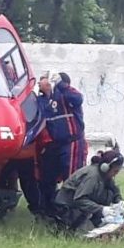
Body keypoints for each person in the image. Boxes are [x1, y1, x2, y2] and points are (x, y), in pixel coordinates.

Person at [36, 72, 87, 212]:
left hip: (72, 143)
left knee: (71, 179)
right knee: (46, 179)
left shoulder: (65, 95)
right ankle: (50, 211)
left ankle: (73, 213)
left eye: (43, 79)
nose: (39, 83)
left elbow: (78, 98)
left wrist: (60, 84)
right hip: (53, 145)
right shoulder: (41, 101)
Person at [51, 150, 124, 230]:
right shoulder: (92, 176)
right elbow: (79, 199)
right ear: (105, 167)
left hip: (82, 209)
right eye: (115, 171)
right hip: (68, 209)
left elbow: (114, 190)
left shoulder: (105, 176)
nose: (116, 174)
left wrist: (119, 201)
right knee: (93, 233)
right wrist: (101, 209)